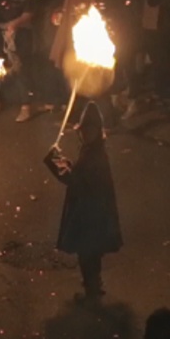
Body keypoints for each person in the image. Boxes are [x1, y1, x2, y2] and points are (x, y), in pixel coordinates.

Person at [43, 101, 123, 304]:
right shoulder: (92, 150)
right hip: (94, 212)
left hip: (90, 214)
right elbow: (79, 174)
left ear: (97, 130)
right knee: (91, 253)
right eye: (84, 129)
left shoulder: (94, 155)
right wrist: (64, 161)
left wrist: (54, 163)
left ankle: (92, 291)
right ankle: (94, 287)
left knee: (87, 254)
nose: (86, 133)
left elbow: (75, 180)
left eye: (90, 129)